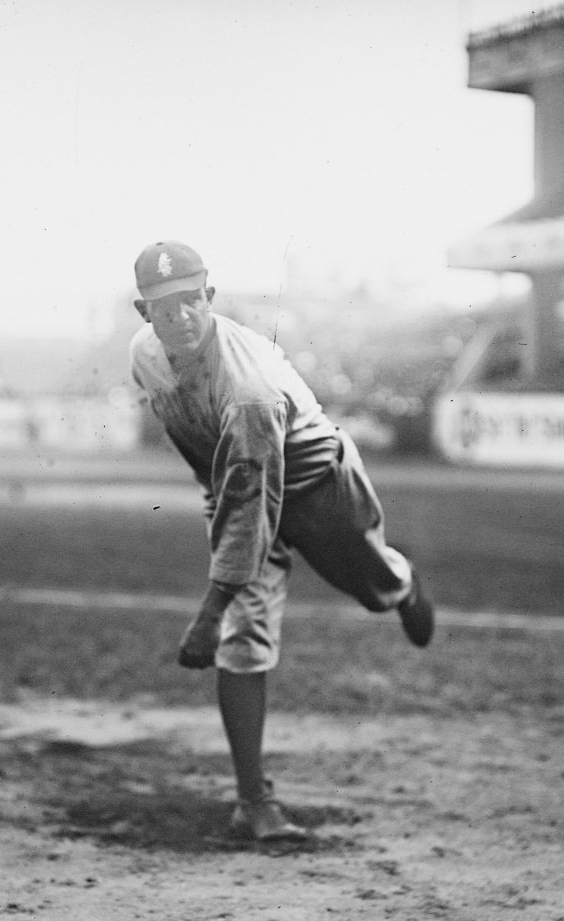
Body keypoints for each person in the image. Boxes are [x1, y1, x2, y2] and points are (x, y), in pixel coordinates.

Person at [127, 240, 435, 843]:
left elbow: (254, 501)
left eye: (191, 300)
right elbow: (236, 488)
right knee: (244, 641)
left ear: (209, 296)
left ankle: (401, 582)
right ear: (145, 313)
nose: (180, 316)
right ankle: (254, 802)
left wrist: (208, 613)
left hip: (318, 486)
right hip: (240, 485)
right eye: (164, 307)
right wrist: (224, 582)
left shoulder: (250, 387)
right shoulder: (144, 355)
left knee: (373, 588)